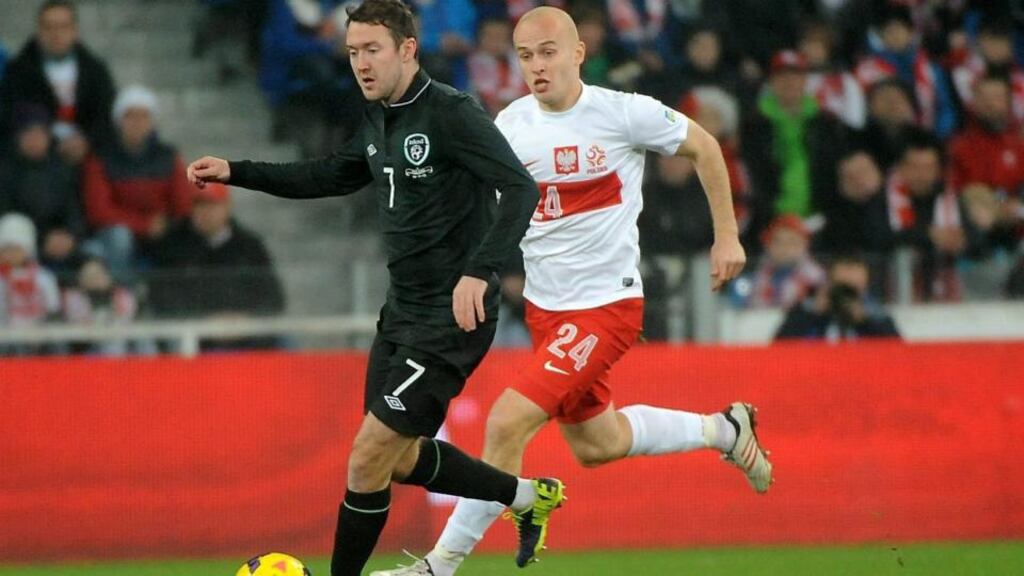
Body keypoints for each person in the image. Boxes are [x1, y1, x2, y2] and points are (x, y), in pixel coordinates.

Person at [372, 8, 771, 576]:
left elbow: (704, 147)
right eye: (526, 56)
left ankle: (439, 566)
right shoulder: (509, 127)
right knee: (598, 443)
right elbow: (477, 205)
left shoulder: (622, 112)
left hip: (606, 307)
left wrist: (727, 236)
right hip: (546, 311)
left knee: (507, 422)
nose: (537, 66)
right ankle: (724, 429)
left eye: (548, 52)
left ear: (578, 53)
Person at [185, 2, 561, 575]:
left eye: (372, 50)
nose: (360, 63)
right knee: (400, 459)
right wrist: (238, 170)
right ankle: (528, 498)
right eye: (353, 51)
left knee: (366, 459)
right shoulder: (376, 116)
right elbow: (329, 175)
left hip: (448, 318)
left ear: (408, 49)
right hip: (402, 312)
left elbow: (520, 188)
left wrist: (479, 271)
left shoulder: (452, 113)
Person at [148, 182, 286, 351]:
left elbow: (273, 297)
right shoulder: (172, 245)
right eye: (199, 205)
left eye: (212, 205)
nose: (205, 212)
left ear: (227, 207)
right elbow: (161, 294)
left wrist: (243, 319)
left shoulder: (249, 245)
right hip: (193, 333)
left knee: (284, 339)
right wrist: (205, 321)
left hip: (245, 332)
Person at [81, 85, 193, 284]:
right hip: (117, 232)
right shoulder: (101, 158)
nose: (137, 123)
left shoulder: (167, 157)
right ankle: (125, 295)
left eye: (144, 116)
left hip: (160, 230)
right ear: (118, 121)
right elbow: (99, 211)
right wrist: (143, 225)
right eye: (130, 116)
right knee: (119, 238)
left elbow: (182, 202)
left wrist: (166, 223)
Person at [0, 0, 116, 161]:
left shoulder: (95, 71)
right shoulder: (18, 71)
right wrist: (26, 136)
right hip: (33, 161)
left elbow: (106, 115)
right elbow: (7, 113)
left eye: (63, 26)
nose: (56, 34)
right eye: (48, 27)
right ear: (38, 31)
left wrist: (87, 141)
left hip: (86, 157)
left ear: (75, 31)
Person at [775, 253, 900, 341]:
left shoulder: (876, 314)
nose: (846, 295)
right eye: (842, 287)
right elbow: (780, 348)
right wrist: (813, 314)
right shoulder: (807, 309)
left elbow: (896, 352)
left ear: (865, 286)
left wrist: (865, 321)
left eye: (853, 289)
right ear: (829, 283)